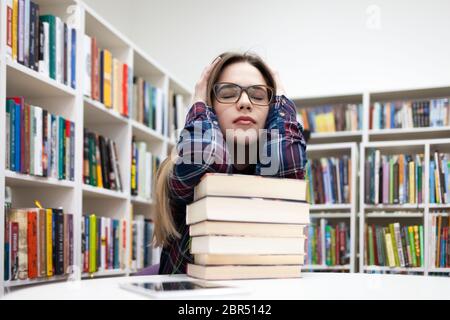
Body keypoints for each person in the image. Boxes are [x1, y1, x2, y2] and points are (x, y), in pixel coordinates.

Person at [152, 51, 308, 275]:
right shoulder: (181, 164)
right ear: (209, 106)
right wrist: (198, 103)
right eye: (227, 93)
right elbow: (208, 162)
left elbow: (286, 169)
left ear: (272, 109)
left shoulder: (277, 157)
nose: (245, 102)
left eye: (258, 95)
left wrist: (282, 100)